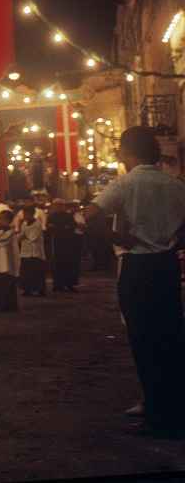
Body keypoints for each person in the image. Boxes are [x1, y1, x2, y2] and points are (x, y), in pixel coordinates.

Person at [85, 126, 185, 437]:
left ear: (129, 152)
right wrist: (175, 240)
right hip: (167, 265)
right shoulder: (175, 185)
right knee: (170, 336)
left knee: (143, 339)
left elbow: (89, 215)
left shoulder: (126, 183)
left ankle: (156, 412)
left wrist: (117, 237)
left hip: (138, 265)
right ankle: (173, 407)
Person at [0, 209, 19, 312]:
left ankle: (7, 306)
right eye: (0, 219)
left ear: (9, 220)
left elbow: (1, 242)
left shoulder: (11, 232)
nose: (0, 221)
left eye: (3, 219)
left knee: (6, 285)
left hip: (6, 263)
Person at [47, 199, 79, 292]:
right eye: (57, 205)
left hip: (68, 243)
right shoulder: (51, 216)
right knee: (57, 265)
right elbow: (49, 227)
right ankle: (58, 284)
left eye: (60, 205)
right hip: (56, 243)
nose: (59, 207)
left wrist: (59, 228)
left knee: (68, 264)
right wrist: (61, 228)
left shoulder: (68, 216)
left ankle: (69, 284)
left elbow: (72, 227)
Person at [18, 205, 46, 296]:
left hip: (35, 252)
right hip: (25, 251)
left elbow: (32, 237)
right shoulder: (24, 223)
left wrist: (23, 236)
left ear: (31, 214)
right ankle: (27, 289)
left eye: (26, 214)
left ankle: (37, 289)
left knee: (35, 272)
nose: (24, 216)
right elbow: (21, 235)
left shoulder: (37, 223)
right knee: (26, 272)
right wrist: (21, 237)